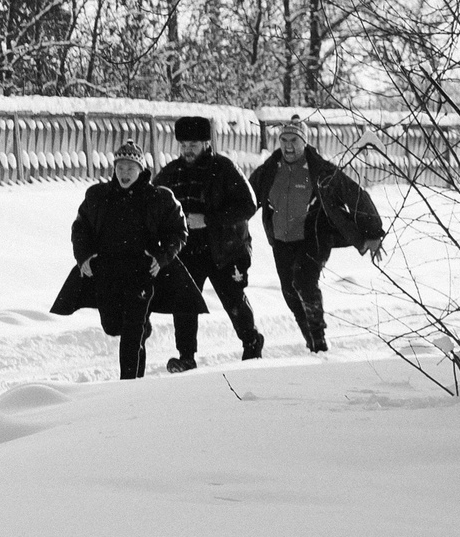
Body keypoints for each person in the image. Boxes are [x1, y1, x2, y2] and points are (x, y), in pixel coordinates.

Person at [52, 139, 205, 380]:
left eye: (130, 168)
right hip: (107, 272)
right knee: (113, 326)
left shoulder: (158, 198)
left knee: (131, 330)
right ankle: (142, 330)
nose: (124, 173)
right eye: (120, 168)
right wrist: (84, 257)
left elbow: (178, 230)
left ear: (141, 170)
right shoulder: (98, 196)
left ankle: (129, 384)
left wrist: (162, 256)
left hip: (141, 273)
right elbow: (81, 228)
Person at [247, 117, 386, 353]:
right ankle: (310, 337)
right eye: (284, 140)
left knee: (303, 280)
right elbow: (245, 199)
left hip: (313, 234)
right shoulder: (269, 170)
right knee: (290, 293)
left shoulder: (320, 171)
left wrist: (372, 233)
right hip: (281, 238)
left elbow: (356, 196)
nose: (289, 146)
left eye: (294, 141)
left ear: (304, 142)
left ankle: (319, 339)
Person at [151, 115, 265, 371]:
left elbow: (248, 205)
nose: (187, 150)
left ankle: (251, 342)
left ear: (205, 143)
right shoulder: (171, 173)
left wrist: (209, 220)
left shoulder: (223, 168)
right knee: (184, 303)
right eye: (183, 145)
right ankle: (186, 356)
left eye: (193, 144)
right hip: (187, 251)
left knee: (232, 298)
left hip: (224, 249)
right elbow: (151, 204)